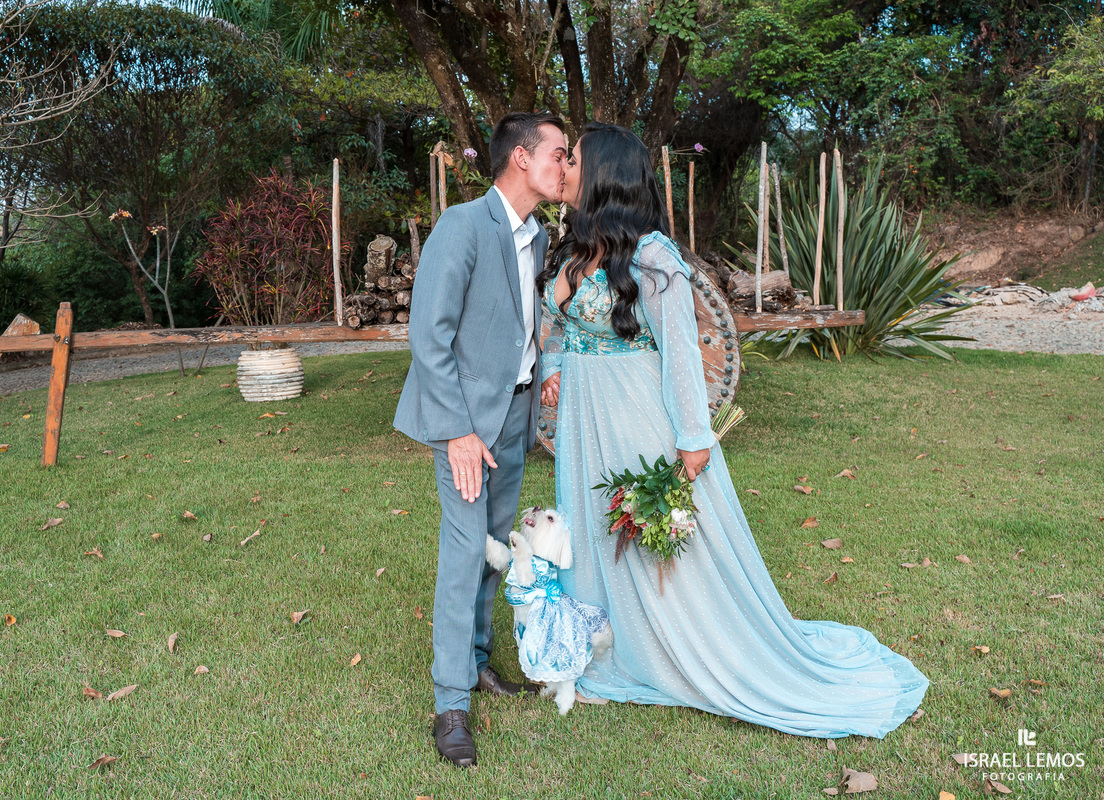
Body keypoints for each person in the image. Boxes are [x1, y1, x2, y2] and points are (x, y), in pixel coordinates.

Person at [537, 123, 928, 739]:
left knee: (647, 536)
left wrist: (694, 441)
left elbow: (684, 355)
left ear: (605, 177)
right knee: (592, 528)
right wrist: (556, 371)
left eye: (575, 160)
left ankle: (675, 648)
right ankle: (606, 641)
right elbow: (559, 328)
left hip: (637, 418)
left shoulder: (654, 258)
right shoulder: (574, 250)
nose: (562, 168)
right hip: (587, 421)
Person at [393, 112, 568, 766]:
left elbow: (525, 324)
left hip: (517, 417)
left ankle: (476, 662)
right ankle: (450, 704)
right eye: (558, 152)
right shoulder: (464, 225)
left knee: (499, 546)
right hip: (464, 424)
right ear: (520, 158)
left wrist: (542, 375)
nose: (565, 164)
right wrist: (457, 430)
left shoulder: (540, 236)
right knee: (466, 549)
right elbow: (428, 336)